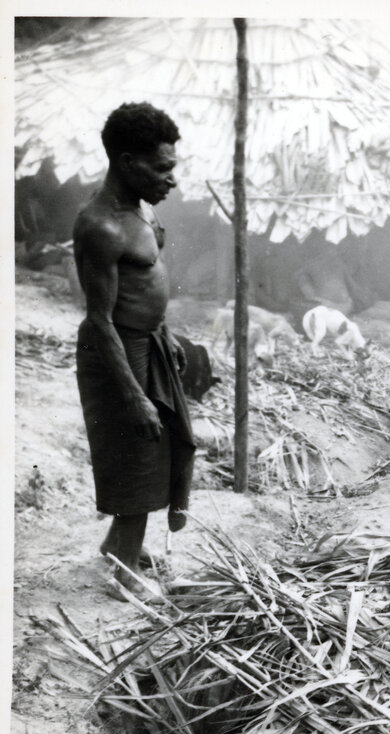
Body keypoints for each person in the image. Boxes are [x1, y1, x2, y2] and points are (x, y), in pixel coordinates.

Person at [73, 102, 194, 601]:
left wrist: (163, 334)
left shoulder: (141, 209)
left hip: (149, 345)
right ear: (127, 162)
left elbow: (142, 285)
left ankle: (117, 547)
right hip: (117, 352)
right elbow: (101, 319)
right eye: (162, 167)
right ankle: (123, 573)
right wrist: (134, 396)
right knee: (136, 457)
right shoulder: (100, 225)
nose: (172, 178)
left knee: (158, 452)